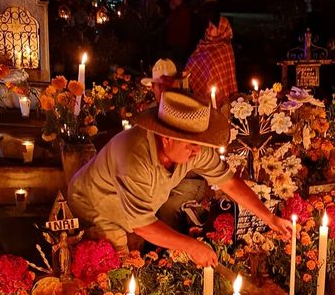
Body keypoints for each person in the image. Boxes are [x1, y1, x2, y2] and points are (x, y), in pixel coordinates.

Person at [68, 91, 292, 266]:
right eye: (192, 145)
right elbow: (142, 225)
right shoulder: (133, 156)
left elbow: (229, 182)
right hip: (96, 204)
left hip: (133, 210)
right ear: (167, 138)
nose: (197, 151)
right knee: (115, 272)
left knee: (135, 258)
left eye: (200, 143)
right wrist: (192, 246)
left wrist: (269, 218)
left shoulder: (195, 148)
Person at [185, 7, 238, 108]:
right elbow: (192, 63)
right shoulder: (204, 44)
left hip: (221, 96)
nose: (208, 29)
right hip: (202, 94)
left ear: (221, 29)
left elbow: (220, 72)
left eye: (212, 27)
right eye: (208, 26)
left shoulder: (224, 48)